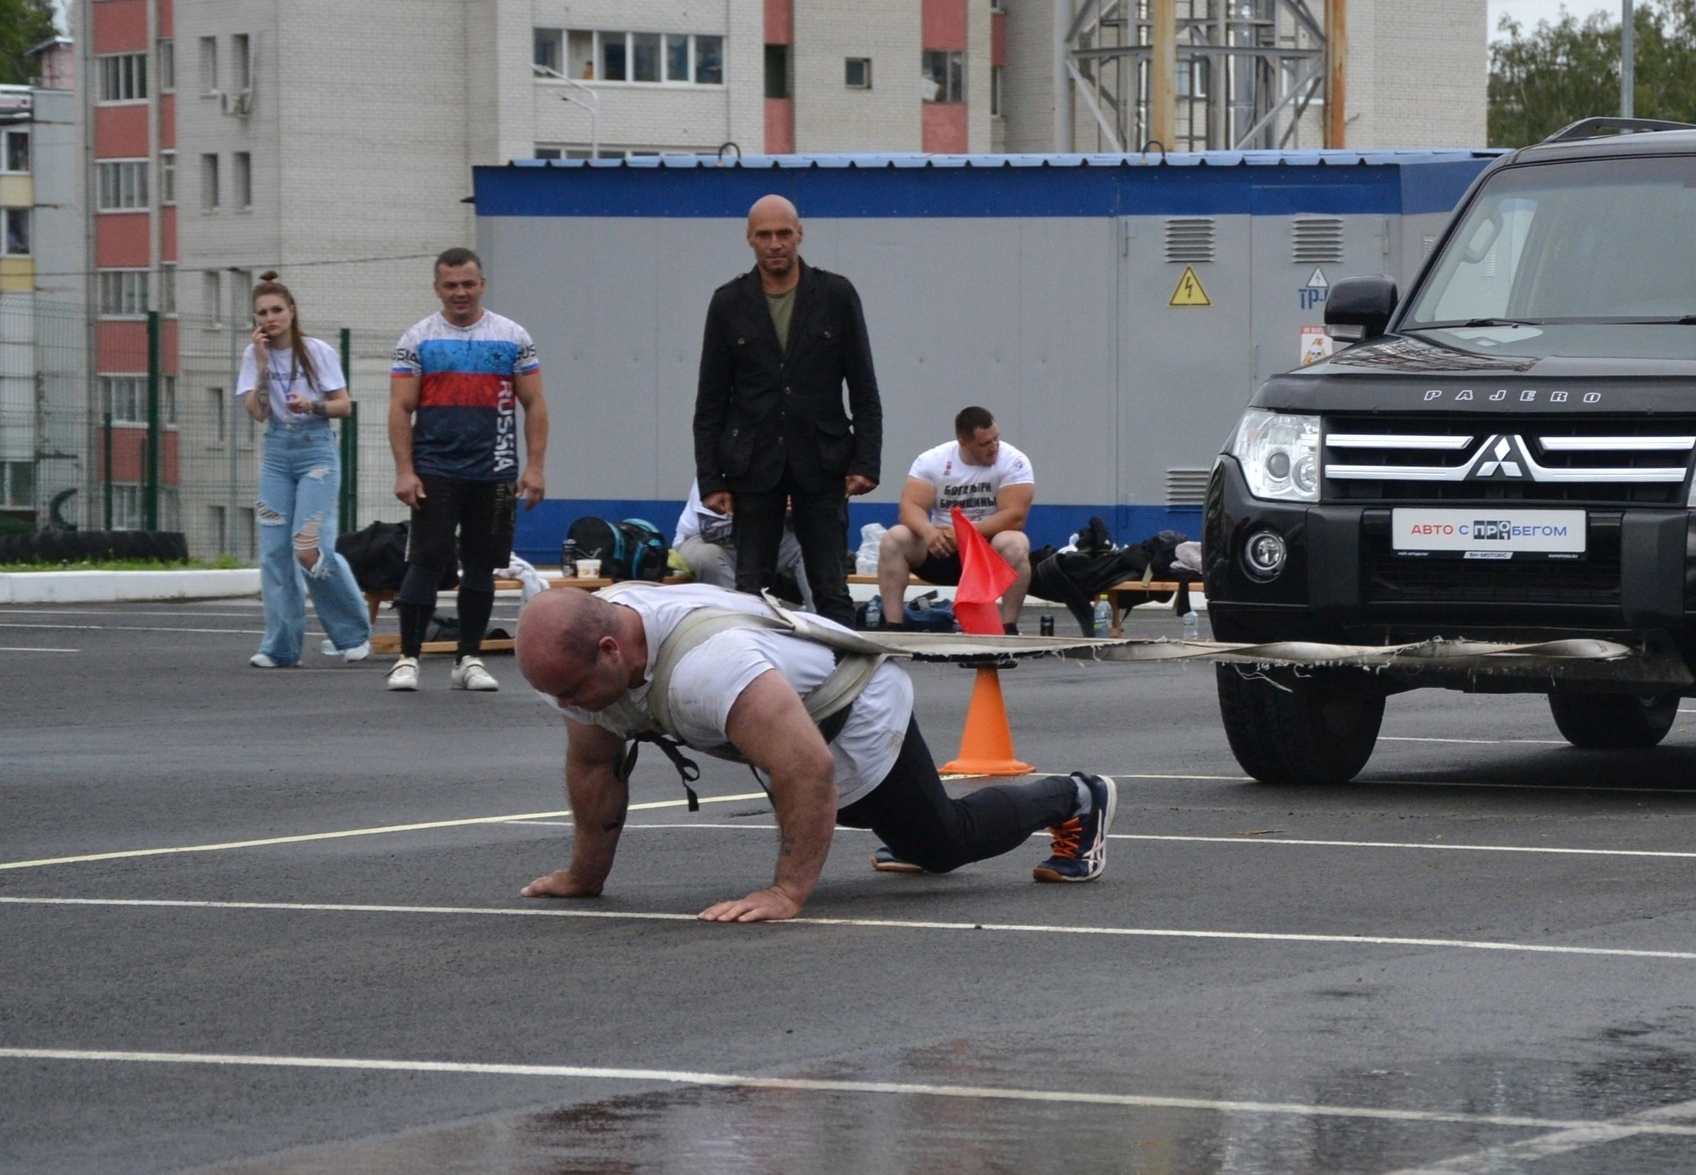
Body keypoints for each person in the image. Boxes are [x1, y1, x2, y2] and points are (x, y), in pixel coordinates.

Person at [514, 584, 1113, 920]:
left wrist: (785, 893)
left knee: (942, 843)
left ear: (612, 649)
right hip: (790, 723)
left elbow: (806, 768)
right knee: (854, 811)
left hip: (854, 709)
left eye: (571, 691)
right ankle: (896, 823)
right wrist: (584, 876)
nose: (568, 705)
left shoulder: (710, 667)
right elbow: (594, 765)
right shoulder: (581, 660)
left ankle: (1076, 796)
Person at [692, 194, 882, 629]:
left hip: (823, 459)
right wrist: (711, 479)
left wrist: (866, 460)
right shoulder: (728, 302)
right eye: (764, 235)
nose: (775, 243)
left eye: (783, 233)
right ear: (749, 239)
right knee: (751, 587)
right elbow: (710, 401)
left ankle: (843, 685)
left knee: (830, 585)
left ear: (800, 234)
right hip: (753, 462)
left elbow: (864, 386)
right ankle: (755, 682)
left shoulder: (835, 294)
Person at [385, 247, 548, 693]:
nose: (460, 293)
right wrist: (405, 471)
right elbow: (400, 407)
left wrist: (534, 467)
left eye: (468, 284)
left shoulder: (512, 336)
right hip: (436, 468)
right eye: (451, 285)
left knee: (482, 566)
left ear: (482, 285)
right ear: (437, 288)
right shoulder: (417, 338)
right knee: (425, 561)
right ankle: (407, 658)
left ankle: (469, 657)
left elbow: (533, 403)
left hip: (493, 470)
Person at [236, 272, 373, 669]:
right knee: (275, 551)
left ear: (292, 311)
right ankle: (280, 647)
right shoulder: (253, 356)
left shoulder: (316, 351)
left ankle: (353, 634)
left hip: (316, 450)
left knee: (309, 547)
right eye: (262, 313)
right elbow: (259, 414)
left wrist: (310, 405)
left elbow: (344, 406)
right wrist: (262, 365)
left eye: (277, 310)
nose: (270, 318)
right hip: (278, 452)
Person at [880, 406, 1034, 630]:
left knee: (1016, 542)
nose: (994, 448)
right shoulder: (933, 460)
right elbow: (909, 507)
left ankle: (1008, 627)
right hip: (943, 548)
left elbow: (1014, 517)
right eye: (984, 444)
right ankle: (893, 626)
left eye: (996, 439)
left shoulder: (1014, 461)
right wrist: (928, 532)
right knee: (895, 538)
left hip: (986, 551)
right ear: (963, 442)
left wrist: (965, 533)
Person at [672, 479, 807, 602]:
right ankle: (741, 613)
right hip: (702, 540)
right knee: (709, 556)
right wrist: (771, 511)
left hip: (763, 538)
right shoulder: (715, 471)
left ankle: (821, 619)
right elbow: (711, 532)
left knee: (807, 549)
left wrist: (794, 511)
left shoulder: (782, 469)